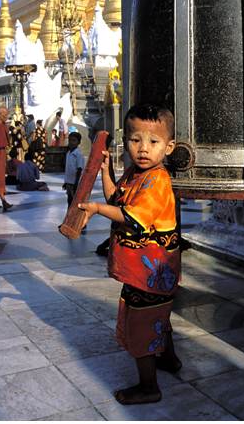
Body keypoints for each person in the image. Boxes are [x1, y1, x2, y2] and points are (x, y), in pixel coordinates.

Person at [77, 104, 181, 405]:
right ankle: (170, 360)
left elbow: (132, 217)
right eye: (136, 140)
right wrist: (105, 169)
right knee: (158, 317)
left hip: (151, 272)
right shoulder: (137, 174)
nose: (143, 149)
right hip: (144, 273)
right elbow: (116, 198)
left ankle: (149, 387)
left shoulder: (158, 181)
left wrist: (96, 210)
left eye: (153, 141)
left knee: (141, 327)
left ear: (169, 146)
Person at [62, 131, 85, 208]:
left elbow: (79, 169)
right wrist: (66, 182)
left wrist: (76, 183)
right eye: (70, 140)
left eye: (74, 140)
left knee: (75, 201)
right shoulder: (68, 153)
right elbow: (68, 169)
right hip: (69, 182)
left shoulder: (78, 154)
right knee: (69, 200)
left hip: (75, 183)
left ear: (78, 142)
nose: (71, 142)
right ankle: (69, 215)